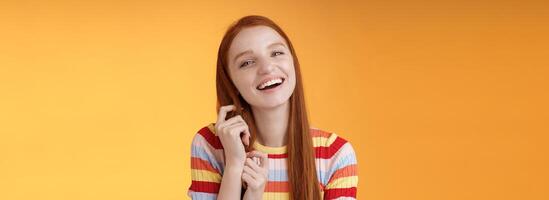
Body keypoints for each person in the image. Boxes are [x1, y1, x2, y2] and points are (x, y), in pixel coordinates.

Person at [188, 15, 358, 200]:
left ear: (293, 63)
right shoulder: (210, 144)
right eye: (247, 62)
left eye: (276, 53)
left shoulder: (335, 153)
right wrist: (235, 166)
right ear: (231, 82)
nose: (267, 68)